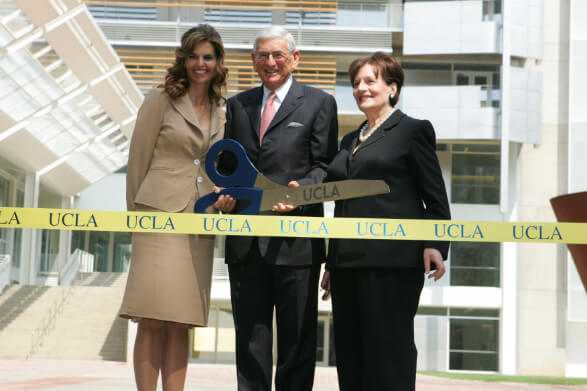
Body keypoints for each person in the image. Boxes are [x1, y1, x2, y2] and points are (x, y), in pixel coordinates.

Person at [215, 26, 338, 391]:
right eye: (262, 56)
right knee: (250, 344)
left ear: (294, 59)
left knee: (296, 344)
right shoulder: (238, 105)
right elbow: (228, 163)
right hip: (246, 243)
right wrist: (225, 191)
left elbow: (326, 165)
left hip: (296, 243)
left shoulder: (320, 103)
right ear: (253, 61)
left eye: (278, 55)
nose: (270, 63)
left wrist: (304, 192)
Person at [321, 52, 451, 391]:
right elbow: (344, 206)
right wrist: (332, 262)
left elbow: (435, 196)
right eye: (356, 83)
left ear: (392, 88)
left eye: (370, 80)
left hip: (392, 262)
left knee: (388, 355)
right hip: (347, 263)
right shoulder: (349, 140)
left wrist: (435, 244)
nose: (361, 88)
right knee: (350, 355)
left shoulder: (412, 131)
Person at [119, 24, 228, 391]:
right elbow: (137, 163)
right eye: (194, 56)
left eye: (208, 57)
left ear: (217, 62)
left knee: (181, 320)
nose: (200, 63)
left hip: (200, 219)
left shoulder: (222, 108)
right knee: (151, 317)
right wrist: (136, 221)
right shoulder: (158, 100)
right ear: (183, 59)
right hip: (156, 217)